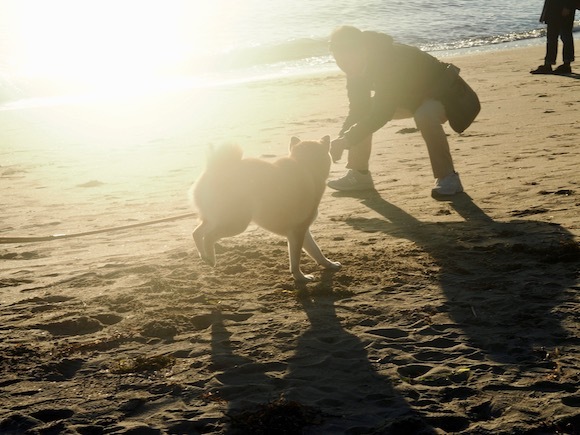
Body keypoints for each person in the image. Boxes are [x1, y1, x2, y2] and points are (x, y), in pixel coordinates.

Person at [327, 26, 480, 197]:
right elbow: (357, 109)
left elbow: (382, 113)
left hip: (449, 96)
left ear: (362, 49)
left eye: (347, 59)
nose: (344, 65)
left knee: (425, 114)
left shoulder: (389, 59)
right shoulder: (354, 68)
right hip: (412, 98)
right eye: (339, 61)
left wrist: (347, 140)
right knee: (364, 114)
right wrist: (342, 139)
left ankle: (448, 178)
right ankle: (359, 174)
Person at [531, 0, 577, 74]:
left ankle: (565, 64)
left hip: (563, 8)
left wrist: (568, 6)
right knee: (553, 37)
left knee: (564, 36)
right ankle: (549, 64)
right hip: (554, 8)